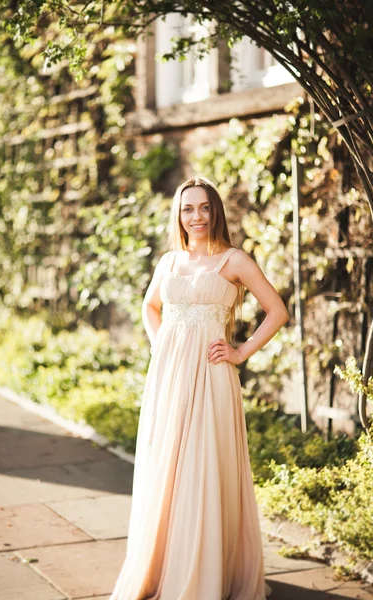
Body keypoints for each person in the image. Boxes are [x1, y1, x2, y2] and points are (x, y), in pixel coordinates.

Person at [110, 176, 289, 600]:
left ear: (216, 212)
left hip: (211, 377)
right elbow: (149, 306)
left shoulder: (234, 260)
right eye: (188, 209)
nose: (197, 216)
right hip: (168, 378)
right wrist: (161, 347)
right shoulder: (169, 262)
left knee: (203, 465)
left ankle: (205, 571)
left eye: (204, 207)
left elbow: (276, 311)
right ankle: (163, 564)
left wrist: (241, 352)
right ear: (179, 215)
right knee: (168, 465)